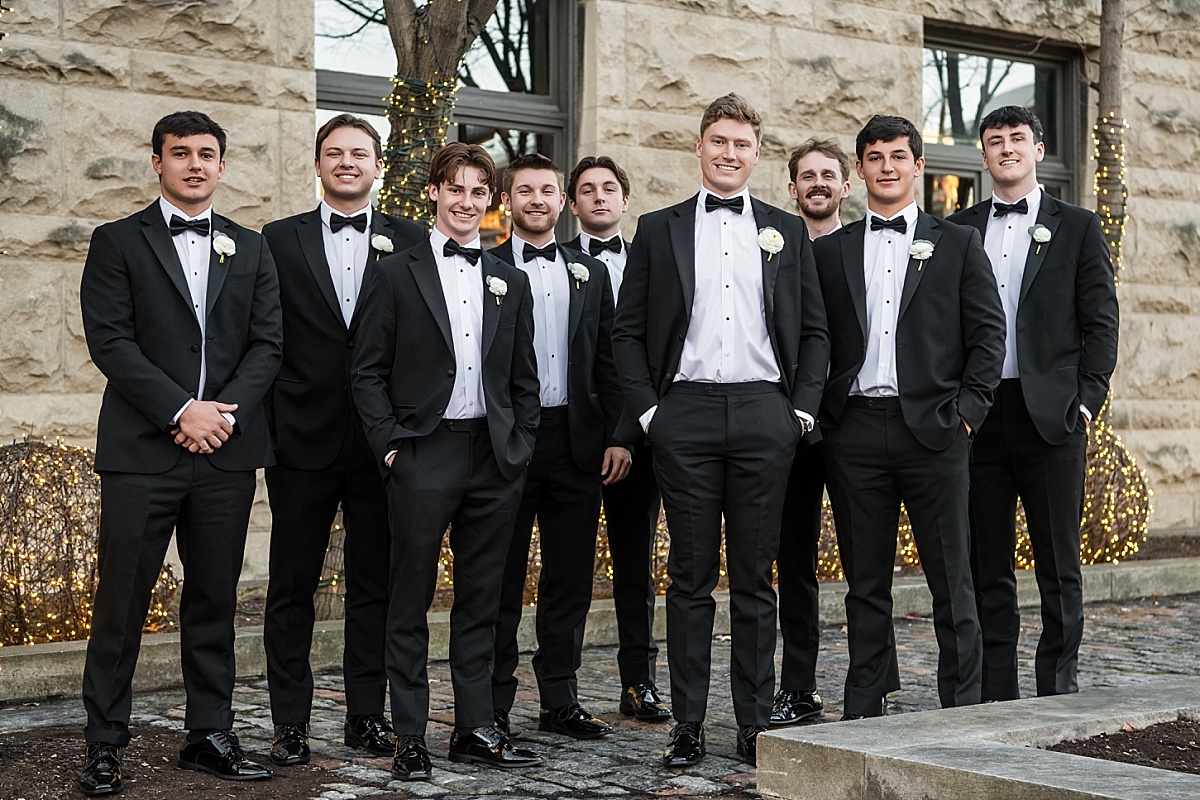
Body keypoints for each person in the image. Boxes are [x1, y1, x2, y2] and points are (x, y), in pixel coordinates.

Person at [612, 93, 829, 767]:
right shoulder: (658, 229)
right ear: (699, 148)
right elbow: (628, 332)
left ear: (756, 154)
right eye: (719, 142)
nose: (729, 153)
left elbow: (815, 330)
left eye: (741, 144)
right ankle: (689, 726)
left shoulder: (785, 231)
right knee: (690, 576)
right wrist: (653, 414)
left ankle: (753, 725)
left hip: (767, 413)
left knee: (756, 579)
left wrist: (799, 411)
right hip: (687, 416)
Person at [78, 110, 281, 794]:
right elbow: (111, 341)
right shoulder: (116, 242)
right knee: (122, 603)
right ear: (157, 162)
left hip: (224, 451)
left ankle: (210, 734)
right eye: (180, 153)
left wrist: (218, 416)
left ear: (222, 166)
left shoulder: (251, 248)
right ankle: (104, 743)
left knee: (214, 600)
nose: (194, 164)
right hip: (142, 452)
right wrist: (179, 410)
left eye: (206, 154)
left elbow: (266, 345)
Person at [350, 142, 543, 781]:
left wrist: (519, 446)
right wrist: (392, 448)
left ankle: (475, 727)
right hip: (422, 453)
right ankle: (409, 734)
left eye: (478, 192)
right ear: (433, 193)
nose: (466, 202)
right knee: (409, 597)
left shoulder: (508, 280)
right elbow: (367, 372)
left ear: (491, 202)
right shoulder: (395, 272)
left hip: (492, 455)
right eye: (455, 189)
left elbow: (523, 379)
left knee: (483, 600)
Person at [814, 114, 1006, 719]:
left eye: (899, 156)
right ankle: (866, 702)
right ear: (861, 169)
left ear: (918, 166)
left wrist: (968, 414)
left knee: (953, 579)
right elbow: (812, 338)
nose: (888, 166)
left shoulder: (957, 244)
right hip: (856, 431)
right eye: (875, 157)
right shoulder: (830, 251)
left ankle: (963, 705)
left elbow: (988, 336)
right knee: (864, 582)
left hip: (936, 432)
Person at [260, 113, 426, 766]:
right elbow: (263, 336)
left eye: (360, 153)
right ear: (319, 163)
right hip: (301, 440)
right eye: (335, 152)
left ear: (378, 165)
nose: (348, 162)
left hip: (381, 445)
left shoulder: (412, 240)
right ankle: (289, 723)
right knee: (290, 585)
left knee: (374, 587)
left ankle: (367, 717)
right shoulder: (277, 240)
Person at [948, 106, 1119, 702]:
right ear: (984, 155)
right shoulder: (959, 228)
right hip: (979, 416)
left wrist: (1087, 402)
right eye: (994, 142)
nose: (1006, 149)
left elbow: (1101, 324)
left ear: (1038, 149)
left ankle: (1058, 686)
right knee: (986, 564)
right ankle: (998, 690)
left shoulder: (1077, 226)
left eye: (1017, 139)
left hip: (1052, 417)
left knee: (1059, 564)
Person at [489, 153, 632, 741]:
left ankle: (560, 698)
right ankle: (492, 702)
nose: (538, 200)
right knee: (499, 578)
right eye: (526, 191)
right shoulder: (485, 266)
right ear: (509, 201)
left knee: (569, 579)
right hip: (507, 445)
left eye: (548, 190)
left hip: (578, 444)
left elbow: (611, 360)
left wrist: (620, 435)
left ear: (560, 201)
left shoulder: (588, 271)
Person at [565, 155, 671, 723]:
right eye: (587, 190)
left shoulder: (651, 262)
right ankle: (566, 693)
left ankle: (640, 684)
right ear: (573, 204)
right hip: (572, 442)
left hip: (638, 438)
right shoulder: (551, 264)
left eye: (609, 188)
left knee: (636, 568)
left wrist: (627, 435)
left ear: (625, 200)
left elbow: (649, 357)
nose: (599, 197)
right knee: (571, 572)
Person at [770, 138, 852, 727]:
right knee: (793, 562)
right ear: (791, 187)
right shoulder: (772, 249)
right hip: (790, 429)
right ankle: (798, 685)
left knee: (865, 563)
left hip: (856, 428)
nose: (818, 183)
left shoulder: (868, 246)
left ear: (845, 186)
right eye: (807, 176)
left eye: (829, 174)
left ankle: (875, 681)